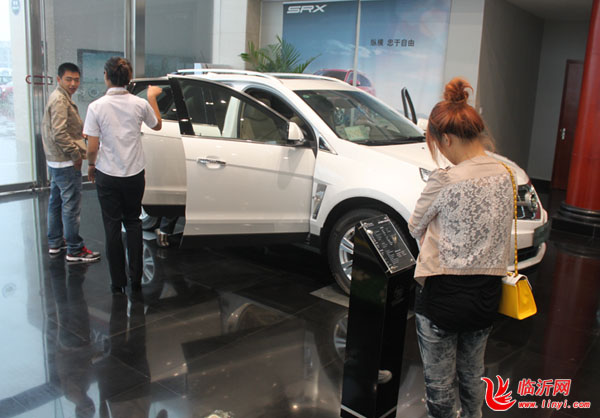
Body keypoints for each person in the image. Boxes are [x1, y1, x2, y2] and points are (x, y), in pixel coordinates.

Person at [408, 77, 513, 418]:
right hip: (486, 296)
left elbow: (414, 226)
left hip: (444, 296)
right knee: (472, 372)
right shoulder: (506, 175)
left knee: (440, 383)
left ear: (448, 139)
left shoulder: (446, 179)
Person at [83, 57, 162, 295]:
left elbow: (92, 146)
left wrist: (91, 165)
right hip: (134, 173)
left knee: (112, 226)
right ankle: (136, 278)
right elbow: (157, 125)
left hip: (107, 174)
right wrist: (152, 97)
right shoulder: (139, 104)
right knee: (134, 223)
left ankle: (117, 283)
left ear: (106, 76)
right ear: (128, 79)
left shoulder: (96, 107)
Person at [42, 62, 100, 262]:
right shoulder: (60, 100)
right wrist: (75, 155)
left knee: (56, 202)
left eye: (76, 80)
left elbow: (61, 129)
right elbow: (59, 133)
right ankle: (75, 249)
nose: (73, 83)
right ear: (59, 79)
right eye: (69, 79)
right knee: (71, 206)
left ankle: (55, 242)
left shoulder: (59, 96)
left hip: (55, 160)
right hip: (65, 160)